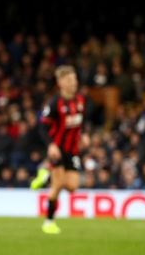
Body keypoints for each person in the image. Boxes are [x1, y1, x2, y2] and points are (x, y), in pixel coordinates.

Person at [35, 65, 91, 234]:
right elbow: (42, 127)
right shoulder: (54, 103)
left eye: (74, 79)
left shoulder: (81, 100)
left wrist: (85, 134)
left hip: (73, 150)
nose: (73, 83)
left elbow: (83, 121)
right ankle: (48, 222)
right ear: (60, 83)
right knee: (58, 185)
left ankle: (45, 175)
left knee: (73, 186)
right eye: (69, 80)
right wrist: (51, 145)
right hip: (58, 149)